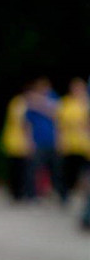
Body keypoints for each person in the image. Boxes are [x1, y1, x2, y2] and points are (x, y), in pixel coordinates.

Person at [26, 77, 64, 202]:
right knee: (34, 169)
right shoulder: (32, 102)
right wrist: (29, 141)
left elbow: (58, 114)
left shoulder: (53, 97)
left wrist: (39, 102)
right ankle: (32, 195)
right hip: (38, 141)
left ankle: (60, 194)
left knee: (57, 170)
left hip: (53, 141)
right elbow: (28, 123)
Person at [58, 78, 89, 207]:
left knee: (86, 172)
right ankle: (65, 195)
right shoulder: (65, 103)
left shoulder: (87, 103)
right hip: (70, 143)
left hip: (85, 144)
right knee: (68, 172)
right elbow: (60, 124)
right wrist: (60, 140)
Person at [1, 85, 35, 202]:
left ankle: (16, 193)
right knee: (20, 169)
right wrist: (29, 142)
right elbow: (24, 123)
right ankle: (18, 194)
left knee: (15, 169)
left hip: (12, 140)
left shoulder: (15, 102)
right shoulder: (21, 104)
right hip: (18, 142)